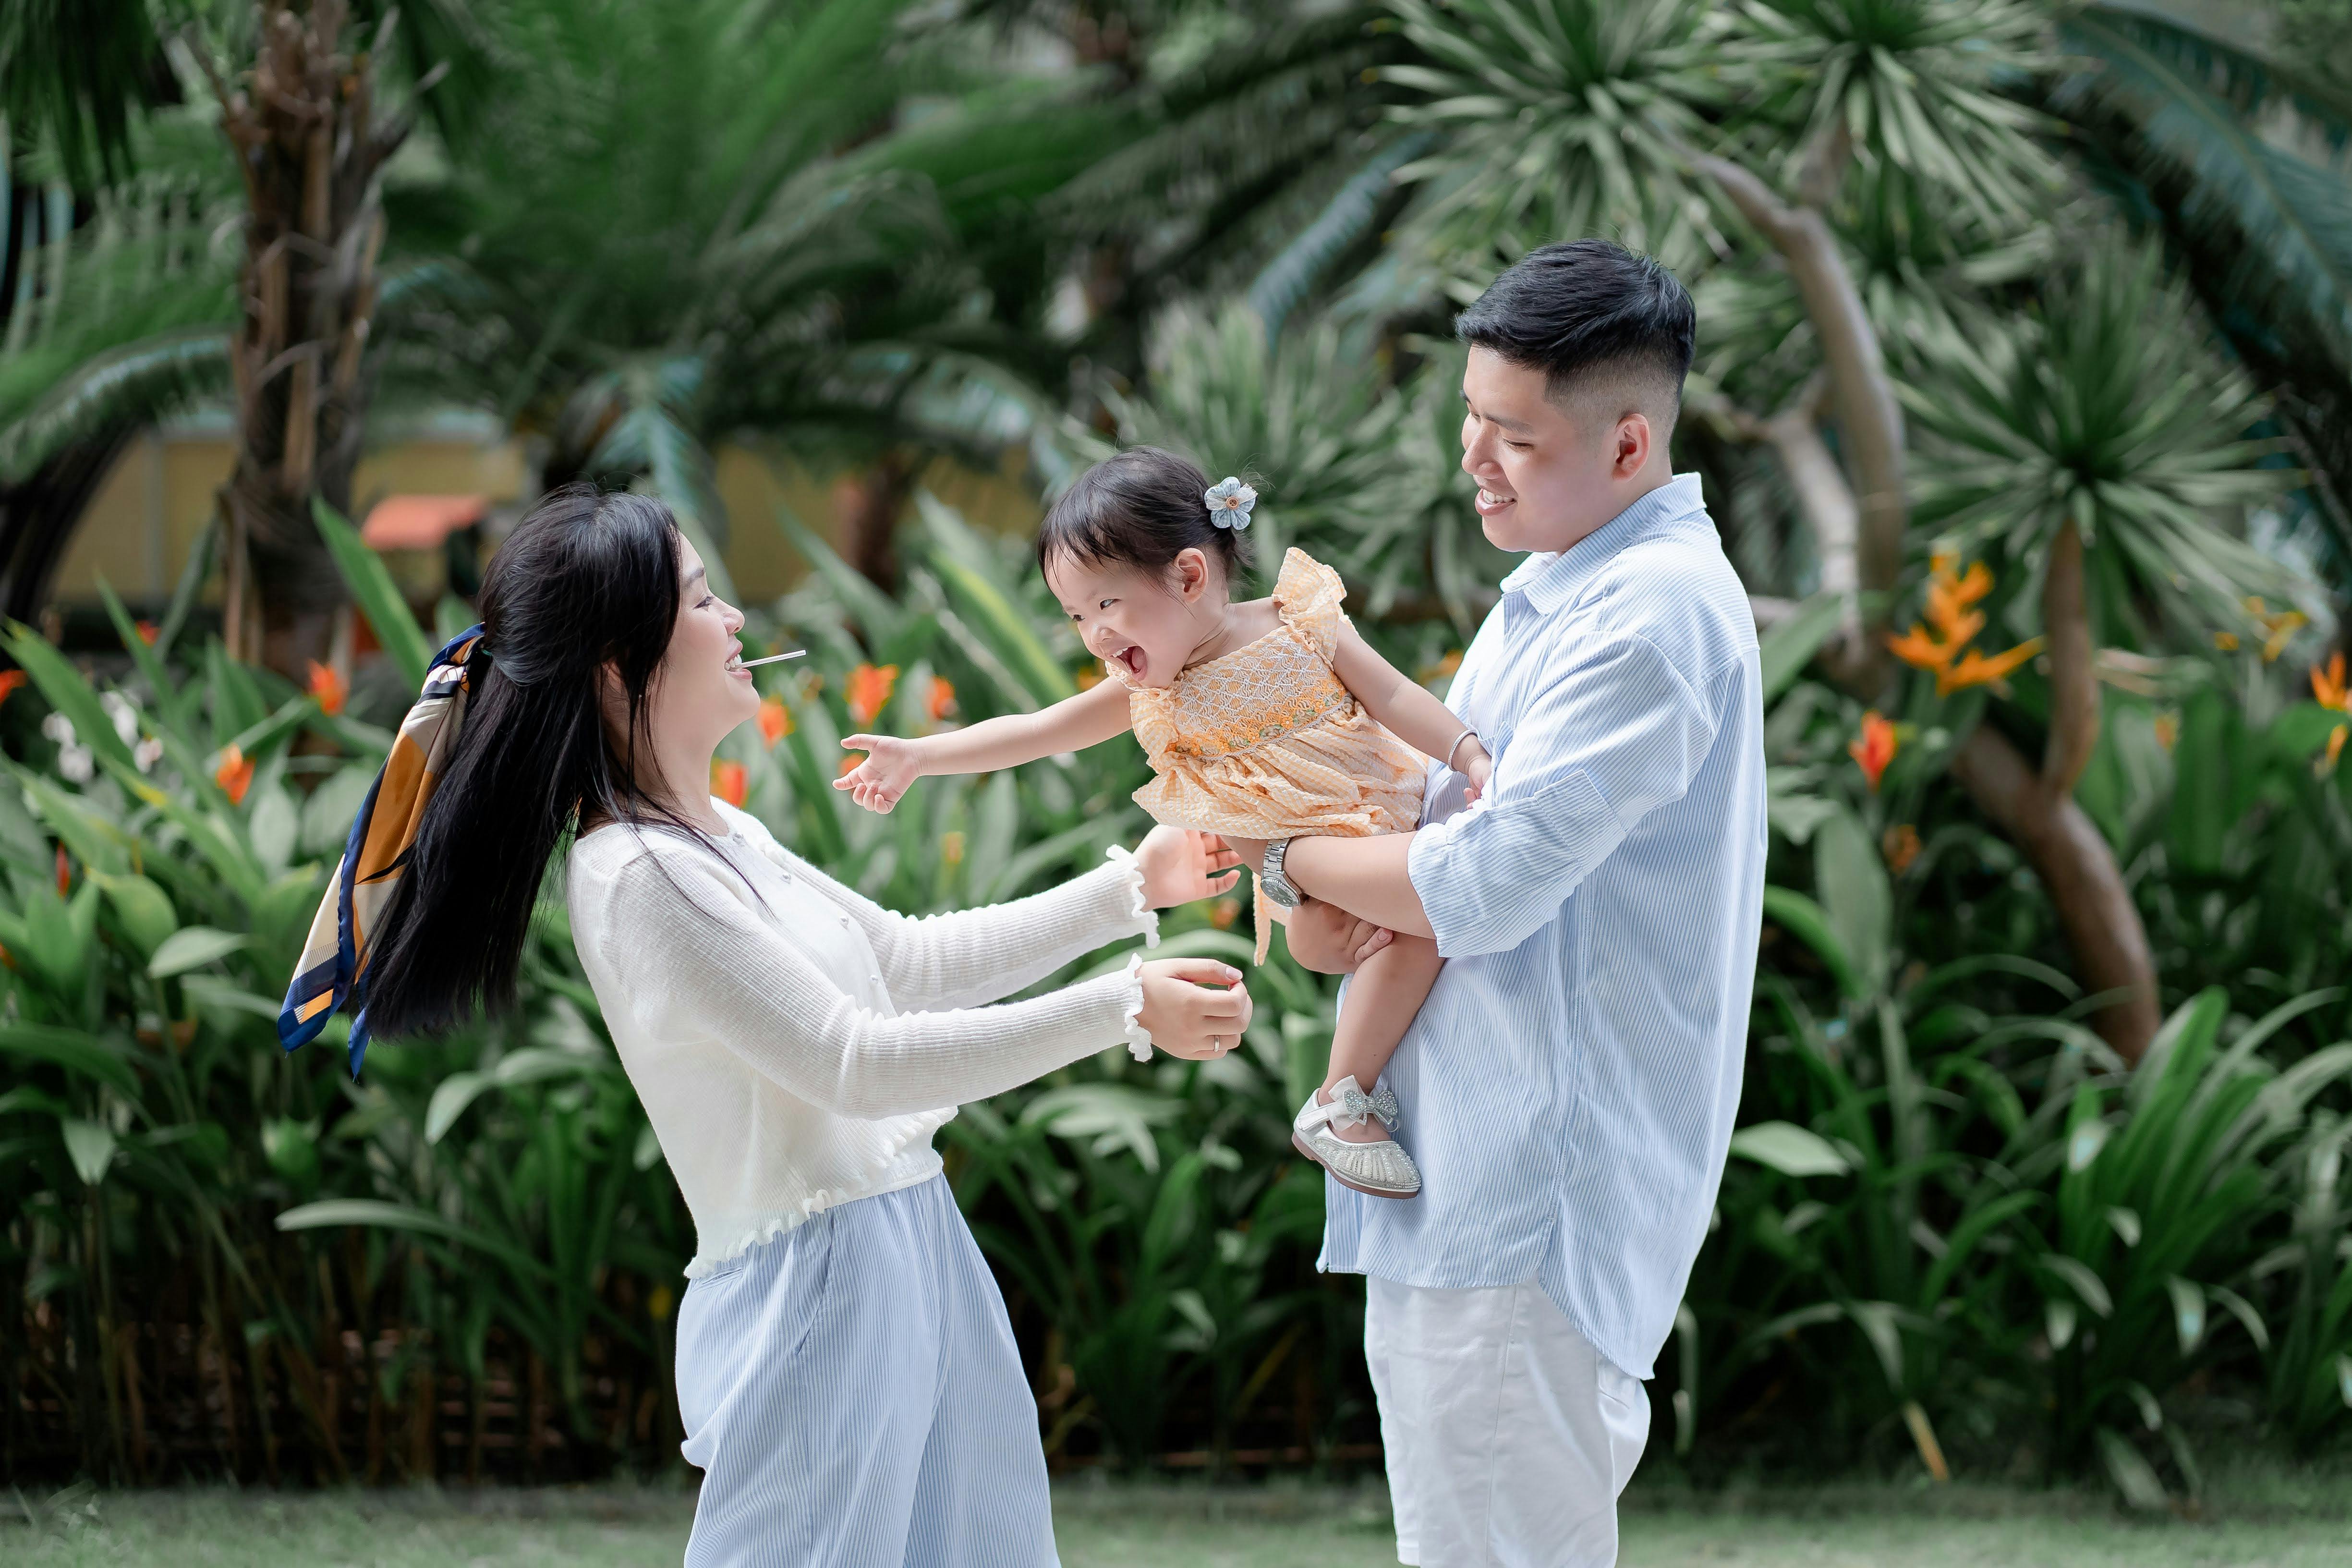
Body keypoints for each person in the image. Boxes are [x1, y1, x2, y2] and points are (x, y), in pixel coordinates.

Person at [289, 483, 1251, 1567]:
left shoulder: (708, 831)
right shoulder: (639, 875)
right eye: (703, 601)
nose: (735, 620)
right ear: (619, 665)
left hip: (908, 1243)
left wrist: (1132, 887)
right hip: (818, 1293)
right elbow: (855, 1060)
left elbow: (902, 960)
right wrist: (1121, 1005)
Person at [1220, 241, 1767, 1567]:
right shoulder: (1560, 592)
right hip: (1466, 1183)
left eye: (1511, 437)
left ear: (1628, 443)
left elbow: (1475, 886)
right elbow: (1421, 836)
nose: (1472, 459)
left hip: (1526, 1207)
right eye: (1471, 421)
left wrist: (1277, 851)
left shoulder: (1647, 620)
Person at [834, 449, 1495, 1202]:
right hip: (1325, 860)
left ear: (1188, 576)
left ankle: (1346, 1090)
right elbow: (1036, 729)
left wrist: (1466, 752)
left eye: (1106, 606)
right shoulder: (1151, 694)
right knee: (1372, 933)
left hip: (1390, 813)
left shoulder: (1299, 622)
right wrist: (920, 755)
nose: (1092, 636)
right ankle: (1341, 1098)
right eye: (1076, 615)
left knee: (1402, 922)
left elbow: (1395, 693)